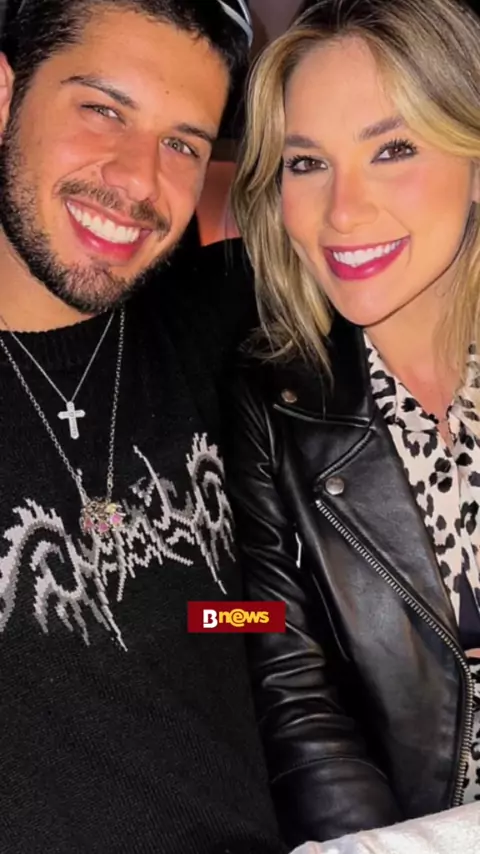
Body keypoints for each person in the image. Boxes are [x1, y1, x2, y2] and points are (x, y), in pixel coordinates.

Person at [0, 0, 288, 851]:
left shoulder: (221, 317)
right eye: (102, 110)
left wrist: (274, 620)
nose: (137, 181)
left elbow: (227, 618)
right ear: (5, 95)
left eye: (183, 145)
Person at [227, 0, 480, 847]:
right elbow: (290, 683)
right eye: (306, 163)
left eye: (393, 149)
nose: (342, 210)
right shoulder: (274, 404)